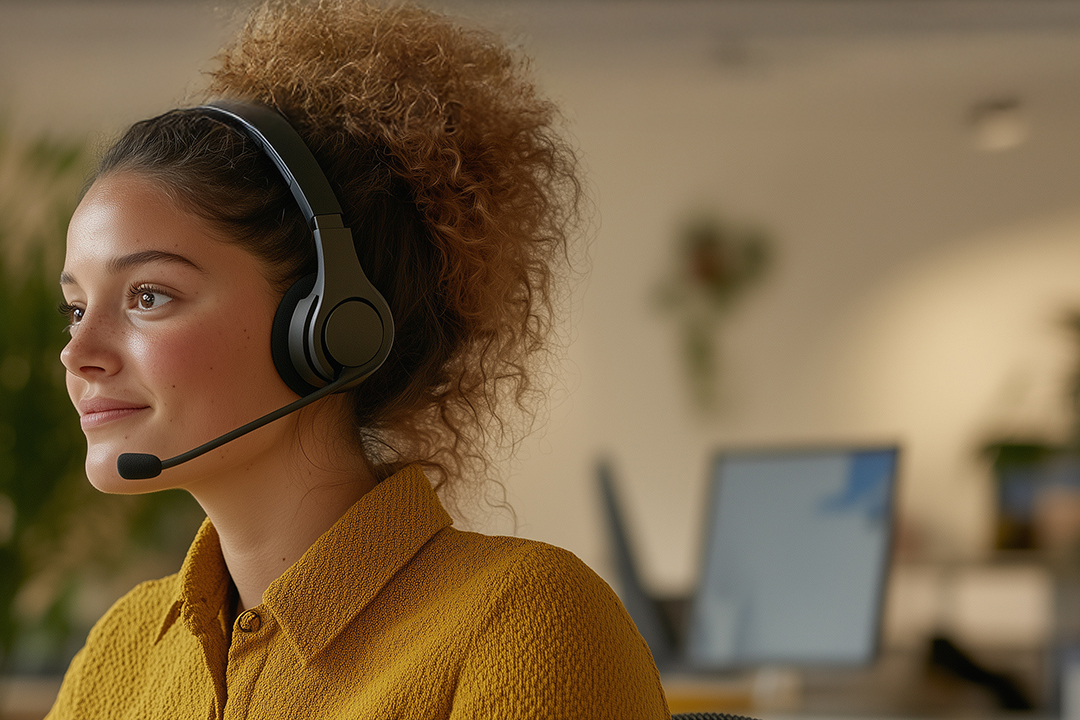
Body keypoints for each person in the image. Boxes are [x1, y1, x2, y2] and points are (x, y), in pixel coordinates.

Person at [49, 1, 668, 717]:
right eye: (74, 308)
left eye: (148, 296)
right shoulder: (122, 654)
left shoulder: (527, 623)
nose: (78, 353)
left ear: (326, 324)